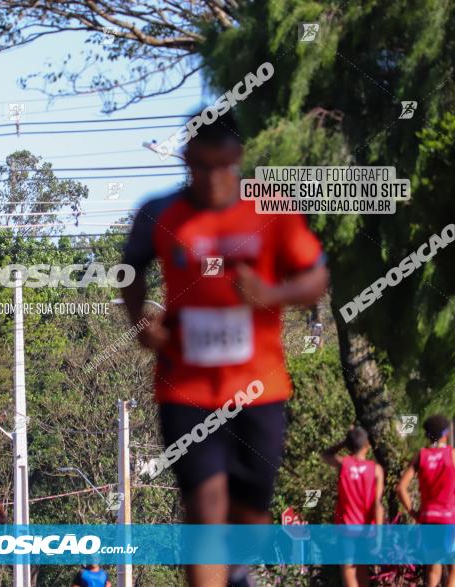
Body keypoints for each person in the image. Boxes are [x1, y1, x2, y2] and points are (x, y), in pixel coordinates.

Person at [120, 110, 329, 587]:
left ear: (237, 158)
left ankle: (236, 568)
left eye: (222, 166)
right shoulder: (160, 212)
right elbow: (129, 268)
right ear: (187, 159)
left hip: (260, 387)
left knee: (252, 508)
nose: (212, 179)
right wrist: (140, 324)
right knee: (203, 504)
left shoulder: (271, 210)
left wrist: (271, 295)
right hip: (185, 386)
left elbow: (316, 277)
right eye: (200, 166)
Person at [321, 426, 384, 587]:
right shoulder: (376, 470)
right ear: (367, 445)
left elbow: (325, 454)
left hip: (346, 529)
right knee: (362, 573)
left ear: (350, 446)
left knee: (349, 574)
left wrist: (345, 442)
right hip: (367, 530)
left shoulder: (344, 464)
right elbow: (377, 505)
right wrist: (379, 535)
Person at [397, 414, 455, 587]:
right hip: (449, 517)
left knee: (432, 568)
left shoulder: (420, 456)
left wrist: (414, 512)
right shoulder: (452, 455)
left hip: (428, 518)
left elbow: (400, 488)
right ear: (446, 434)